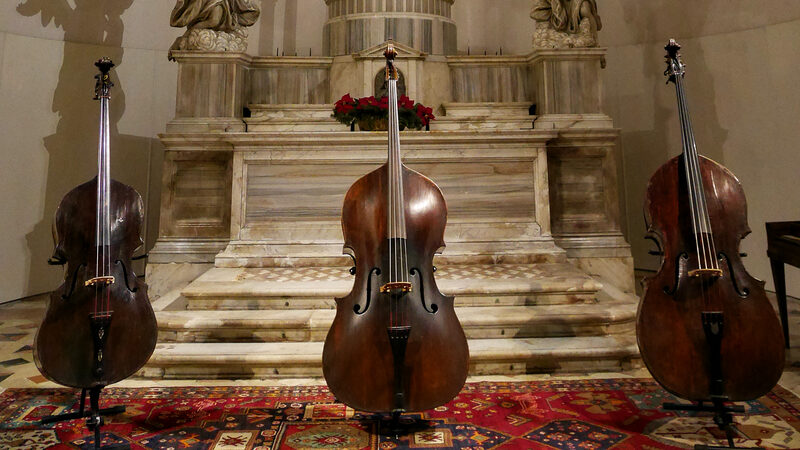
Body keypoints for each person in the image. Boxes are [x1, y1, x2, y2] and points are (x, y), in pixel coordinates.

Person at [170, 0, 260, 32]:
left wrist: (234, 18)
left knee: (214, 21)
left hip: (222, 2)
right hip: (207, 2)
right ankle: (186, 36)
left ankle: (187, 36)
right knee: (214, 21)